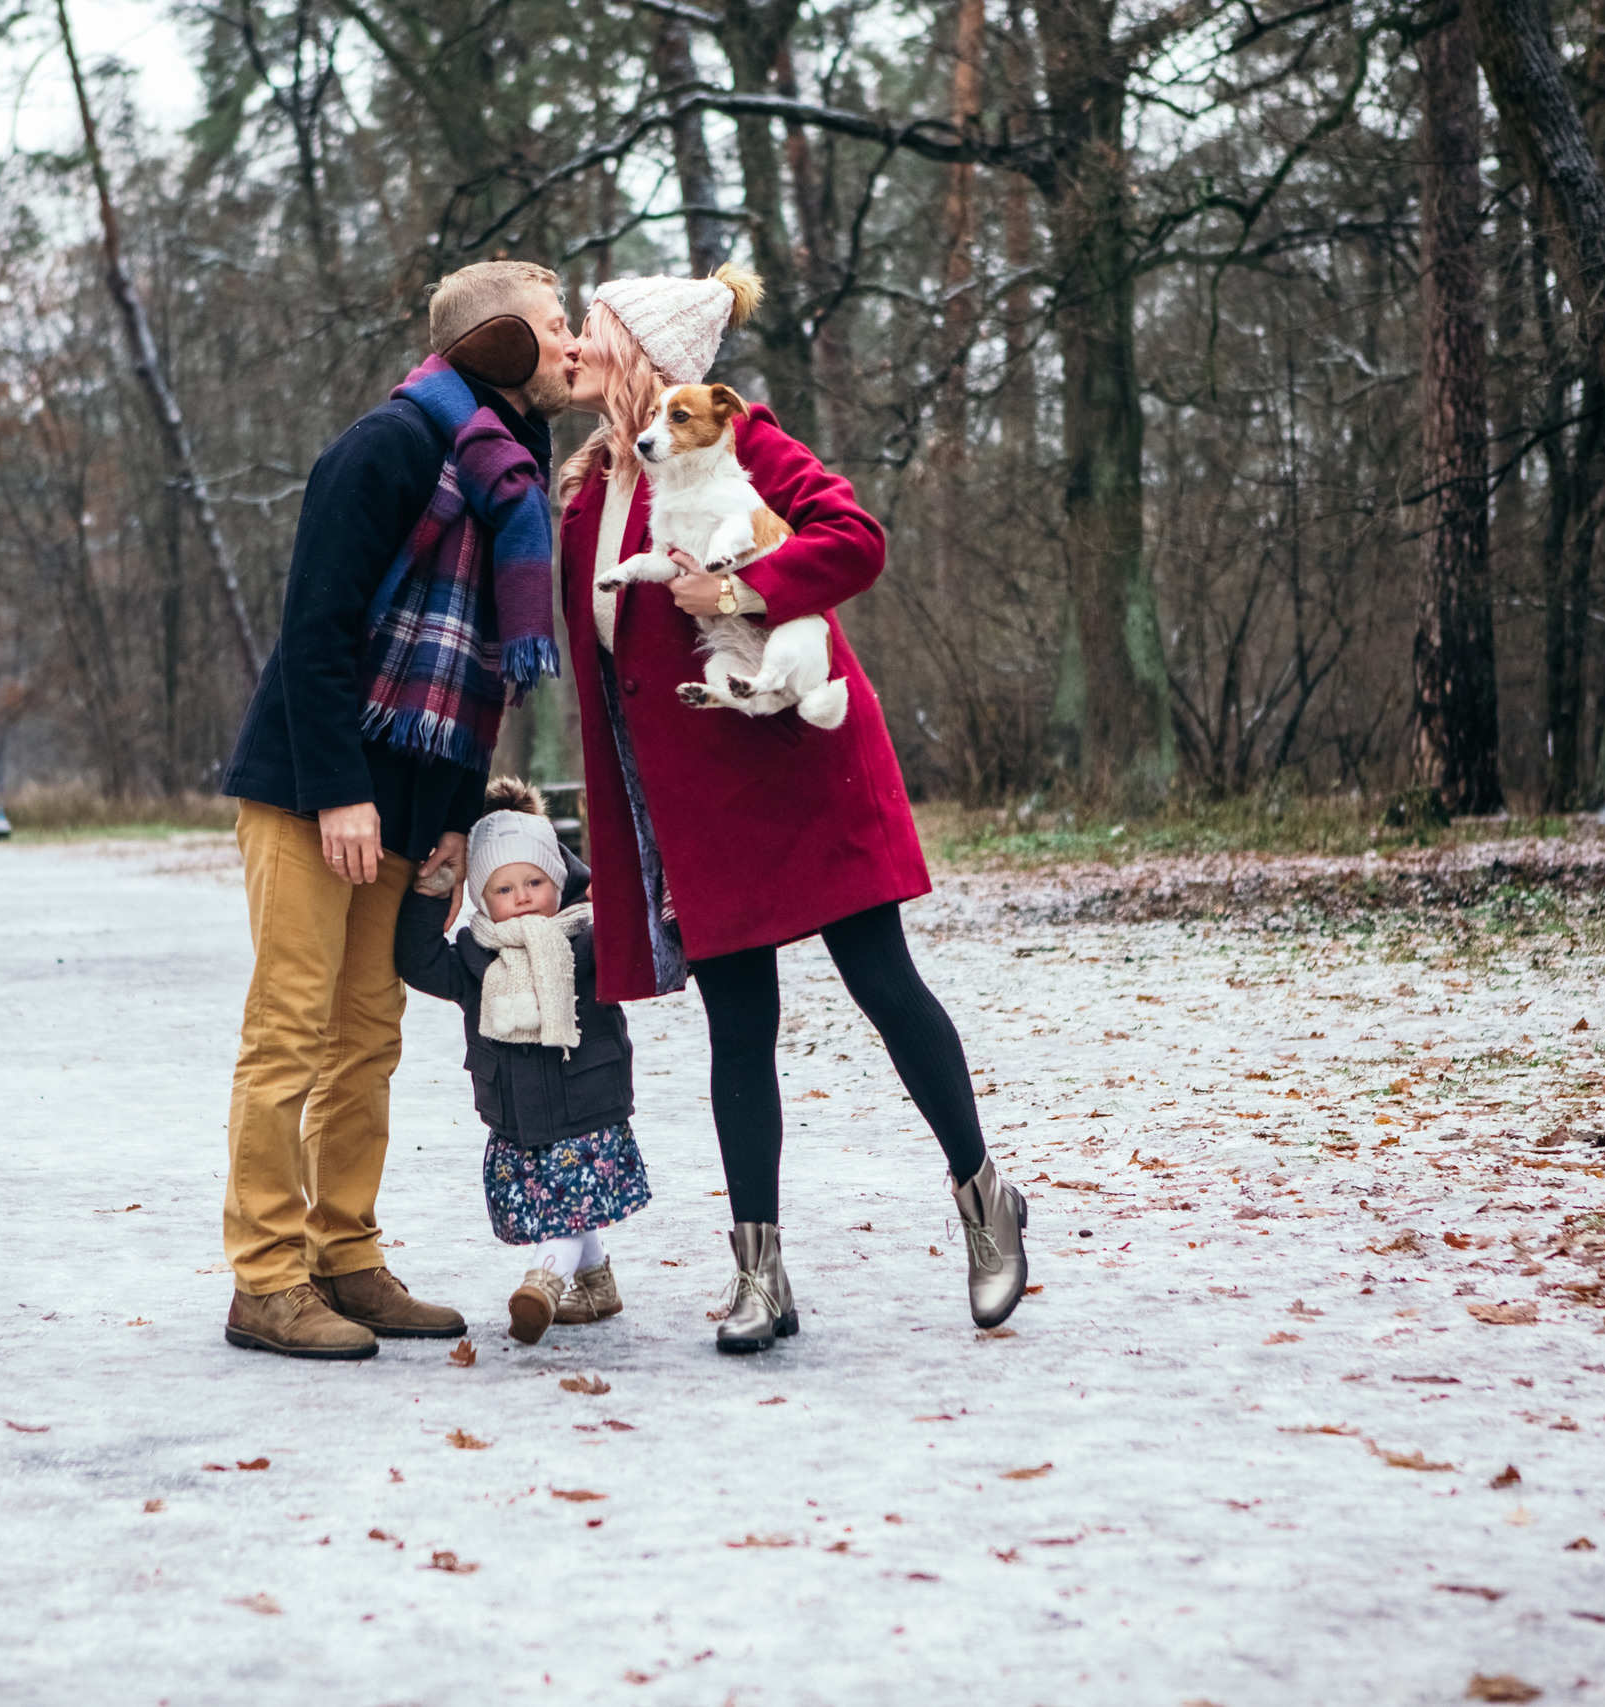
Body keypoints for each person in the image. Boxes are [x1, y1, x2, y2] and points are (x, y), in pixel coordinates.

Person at [553, 266, 1028, 1354]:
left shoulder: (743, 438)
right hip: (697, 798)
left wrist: (735, 592)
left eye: (593, 331)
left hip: (799, 763)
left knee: (884, 987)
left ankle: (984, 1202)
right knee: (738, 1031)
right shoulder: (586, 488)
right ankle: (759, 1276)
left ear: (646, 354)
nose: (575, 349)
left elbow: (853, 539)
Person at [216, 261, 581, 1360]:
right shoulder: (387, 448)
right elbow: (317, 630)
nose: (572, 345)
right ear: (502, 344)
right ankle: (266, 1279)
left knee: (368, 1038)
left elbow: (474, 674)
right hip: (309, 787)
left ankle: (346, 1256)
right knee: (290, 1031)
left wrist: (456, 819)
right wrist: (338, 790)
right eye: (556, 325)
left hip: (412, 803)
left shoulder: (508, 470)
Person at [394, 779, 648, 1346]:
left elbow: (647, 942)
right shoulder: (472, 959)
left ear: (557, 882)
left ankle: (544, 1282)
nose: (524, 895)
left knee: (564, 1210)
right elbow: (416, 957)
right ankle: (598, 1284)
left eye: (536, 881)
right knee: (564, 1206)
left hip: (589, 1110)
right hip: (517, 1117)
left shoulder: (591, 940)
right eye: (505, 888)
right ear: (484, 899)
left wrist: (623, 888)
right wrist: (435, 889)